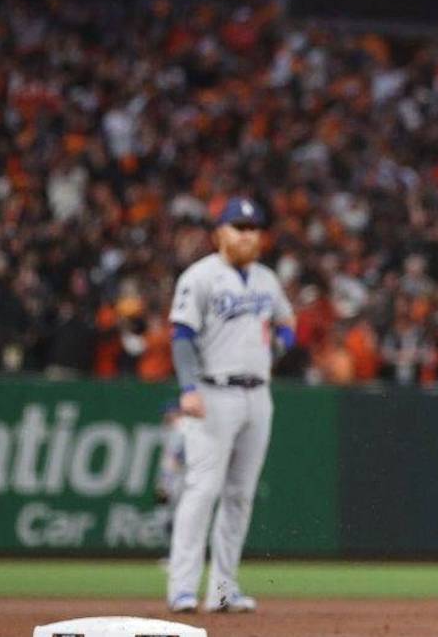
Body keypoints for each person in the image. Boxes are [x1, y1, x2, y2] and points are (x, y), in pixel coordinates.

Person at [165, 198, 295, 614]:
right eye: (238, 227)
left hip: (258, 394)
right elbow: (182, 334)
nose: (247, 234)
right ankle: (182, 588)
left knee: (240, 495)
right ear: (219, 233)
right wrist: (188, 388)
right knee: (202, 489)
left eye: (253, 227)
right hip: (213, 392)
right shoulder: (200, 276)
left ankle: (223, 590)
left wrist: (275, 348)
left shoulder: (266, 280)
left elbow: (288, 325)